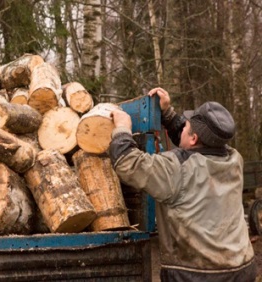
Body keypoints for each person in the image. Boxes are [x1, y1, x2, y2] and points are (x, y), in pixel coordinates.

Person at [109, 87, 256, 281]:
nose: (183, 127)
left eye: (186, 126)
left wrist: (121, 128)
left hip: (197, 275)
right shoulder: (234, 159)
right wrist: (168, 113)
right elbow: (195, 145)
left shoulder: (177, 169)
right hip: (242, 267)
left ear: (194, 138)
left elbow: (127, 162)